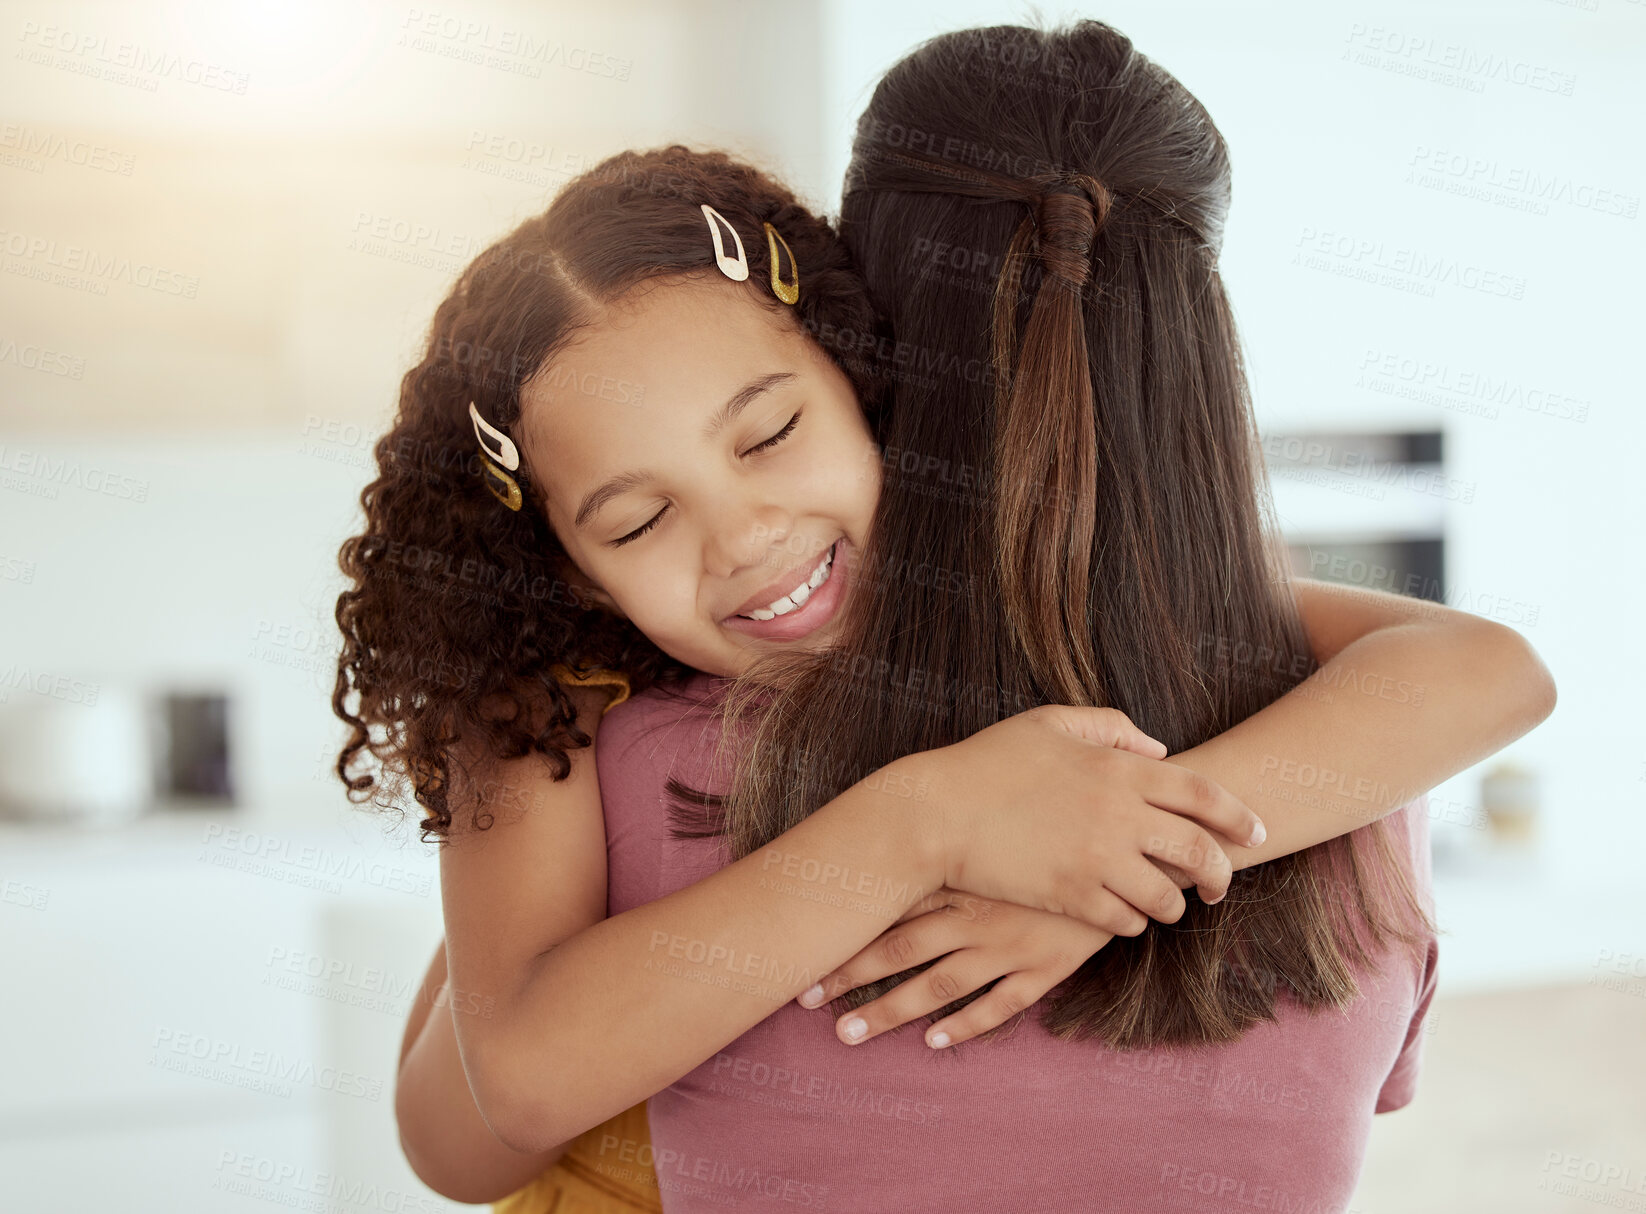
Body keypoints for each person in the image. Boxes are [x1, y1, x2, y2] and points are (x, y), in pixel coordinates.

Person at [352, 104, 1552, 1214]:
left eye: (768, 433)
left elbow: (1487, 668)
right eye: (633, 521)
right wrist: (920, 823)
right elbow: (465, 1128)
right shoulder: (545, 702)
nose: (744, 537)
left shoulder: (1015, 585)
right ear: (565, 566)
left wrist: (1115, 876)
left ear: (863, 384)